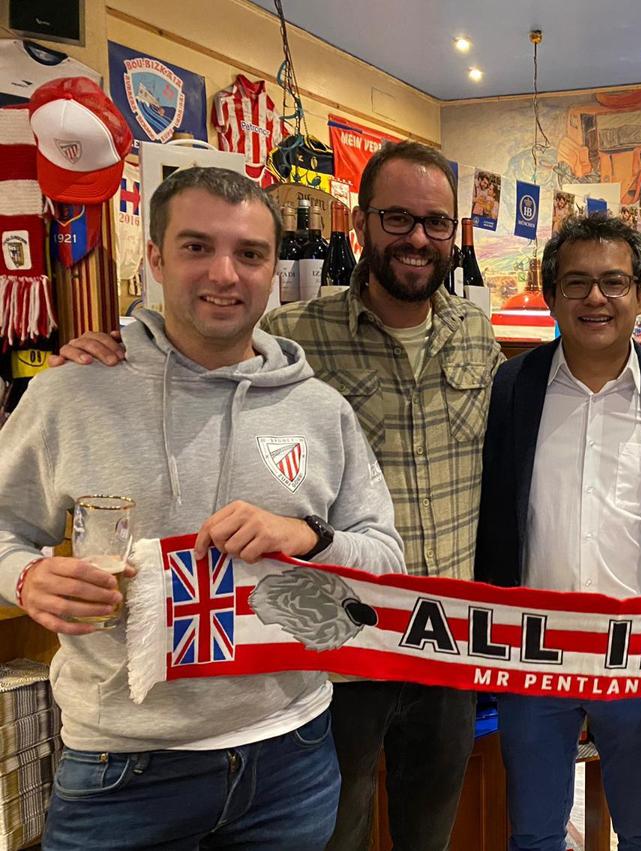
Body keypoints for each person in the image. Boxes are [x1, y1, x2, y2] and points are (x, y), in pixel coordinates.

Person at [53, 141, 503, 851]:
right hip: (337, 650)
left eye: (435, 222)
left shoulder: (477, 333)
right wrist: (114, 348)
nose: (418, 237)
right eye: (397, 218)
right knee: (337, 835)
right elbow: (200, 333)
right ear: (361, 225)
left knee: (429, 834)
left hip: (443, 643)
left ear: (453, 233)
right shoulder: (291, 336)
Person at [0, 167, 405, 849]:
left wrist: (307, 536)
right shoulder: (71, 394)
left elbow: (384, 560)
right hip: (121, 769)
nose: (225, 273)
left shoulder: (320, 408)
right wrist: (24, 576)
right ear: (155, 258)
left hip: (291, 756)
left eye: (249, 254)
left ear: (274, 267)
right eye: (196, 247)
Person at [475, 212, 641, 851]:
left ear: (640, 292)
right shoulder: (512, 386)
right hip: (533, 653)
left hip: (640, 653)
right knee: (535, 833)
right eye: (576, 283)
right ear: (551, 295)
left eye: (613, 282)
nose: (595, 298)